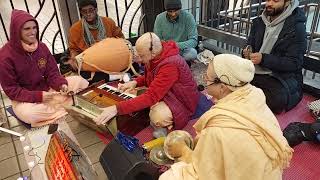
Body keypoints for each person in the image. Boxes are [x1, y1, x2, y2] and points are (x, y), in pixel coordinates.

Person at [160, 54, 293, 180]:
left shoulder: (218, 129)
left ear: (223, 87)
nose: (204, 79)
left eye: (207, 77)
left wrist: (183, 151)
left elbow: (204, 173)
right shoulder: (253, 95)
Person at [94, 32, 212, 137]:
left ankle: (165, 125)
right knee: (136, 95)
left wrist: (116, 109)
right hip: (168, 92)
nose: (138, 59)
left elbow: (151, 96)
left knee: (157, 116)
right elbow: (150, 77)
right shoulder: (157, 55)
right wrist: (135, 82)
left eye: (141, 56)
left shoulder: (170, 64)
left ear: (153, 52)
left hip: (182, 100)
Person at [0, 10, 88, 127]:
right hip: (25, 100)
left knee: (80, 81)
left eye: (34, 28)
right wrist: (38, 96)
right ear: (17, 31)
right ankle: (67, 105)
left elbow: (52, 73)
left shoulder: (42, 47)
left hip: (48, 90)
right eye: (27, 29)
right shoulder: (5, 56)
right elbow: (11, 90)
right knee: (30, 114)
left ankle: (59, 106)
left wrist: (61, 85)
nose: (32, 32)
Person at [243, 0, 307, 113]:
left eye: (275, 0)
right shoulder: (259, 22)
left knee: (275, 99)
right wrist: (246, 51)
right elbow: (249, 44)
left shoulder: (296, 27)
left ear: (287, 2)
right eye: (267, 0)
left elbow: (294, 63)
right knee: (227, 79)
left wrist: (264, 59)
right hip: (255, 72)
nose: (269, 4)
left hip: (279, 77)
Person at [67, 0, 125, 84]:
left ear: (96, 9)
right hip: (92, 64)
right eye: (84, 11)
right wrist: (74, 60)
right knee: (85, 75)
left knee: (134, 65)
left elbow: (120, 39)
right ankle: (116, 76)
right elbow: (74, 49)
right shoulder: (75, 29)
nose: (88, 14)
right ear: (81, 12)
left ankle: (110, 76)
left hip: (110, 59)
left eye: (91, 10)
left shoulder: (108, 22)